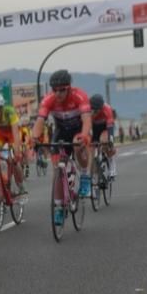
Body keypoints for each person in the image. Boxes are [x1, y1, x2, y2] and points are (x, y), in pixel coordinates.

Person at [31, 70, 92, 225]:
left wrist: (84, 136)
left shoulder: (80, 96)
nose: (58, 93)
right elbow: (40, 121)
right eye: (55, 90)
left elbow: (86, 120)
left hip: (78, 130)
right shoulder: (48, 100)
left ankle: (85, 175)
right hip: (60, 132)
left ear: (69, 87)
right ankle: (58, 207)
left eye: (62, 90)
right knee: (58, 170)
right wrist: (34, 139)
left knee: (77, 144)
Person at [89, 94, 117, 179]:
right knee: (91, 149)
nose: (95, 112)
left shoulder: (107, 109)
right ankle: (95, 171)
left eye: (97, 110)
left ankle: (112, 164)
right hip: (94, 128)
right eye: (93, 110)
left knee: (104, 141)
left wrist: (110, 139)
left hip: (105, 127)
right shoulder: (88, 110)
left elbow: (110, 126)